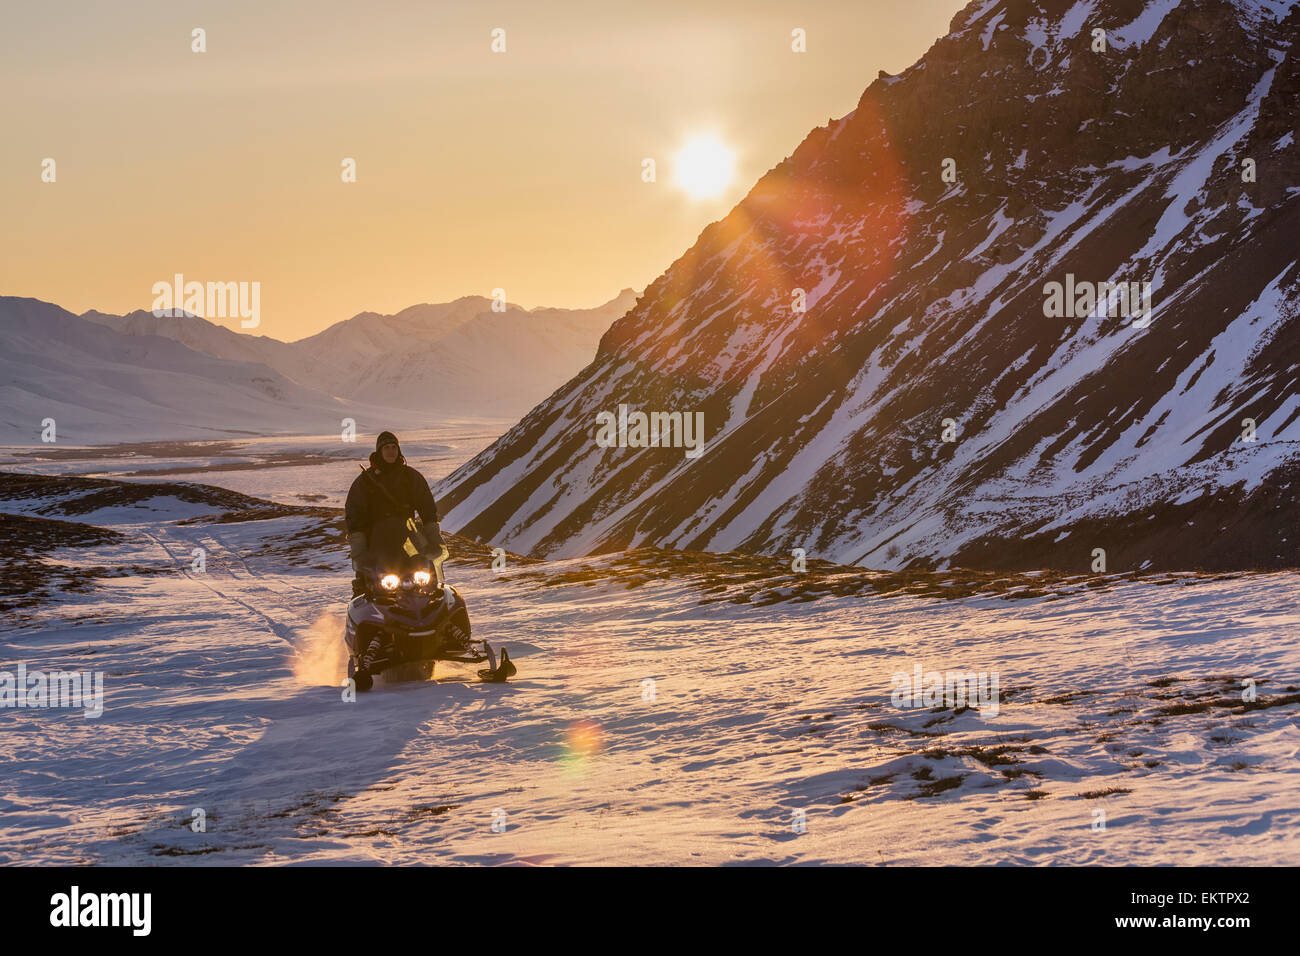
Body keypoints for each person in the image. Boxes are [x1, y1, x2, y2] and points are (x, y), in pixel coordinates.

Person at [344, 431, 443, 596]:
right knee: (367, 581)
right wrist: (359, 545)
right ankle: (362, 606)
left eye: (394, 447)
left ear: (399, 450)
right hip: (375, 540)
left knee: (426, 572)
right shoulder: (365, 481)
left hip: (408, 536)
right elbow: (354, 512)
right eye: (386, 448)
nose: (391, 451)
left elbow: (427, 506)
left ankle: (435, 603)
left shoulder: (411, 477)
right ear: (379, 451)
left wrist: (432, 537)